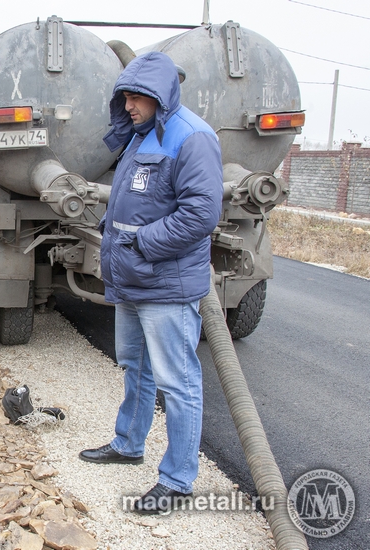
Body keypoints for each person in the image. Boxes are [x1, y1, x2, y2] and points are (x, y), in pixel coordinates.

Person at [78, 52, 223, 514]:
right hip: (133, 282)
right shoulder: (140, 136)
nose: (129, 106)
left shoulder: (192, 137)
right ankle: (128, 443)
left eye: (138, 98)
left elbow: (201, 213)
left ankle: (178, 481)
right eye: (124, 97)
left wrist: (142, 246)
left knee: (178, 383)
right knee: (134, 368)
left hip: (166, 284)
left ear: (161, 96)